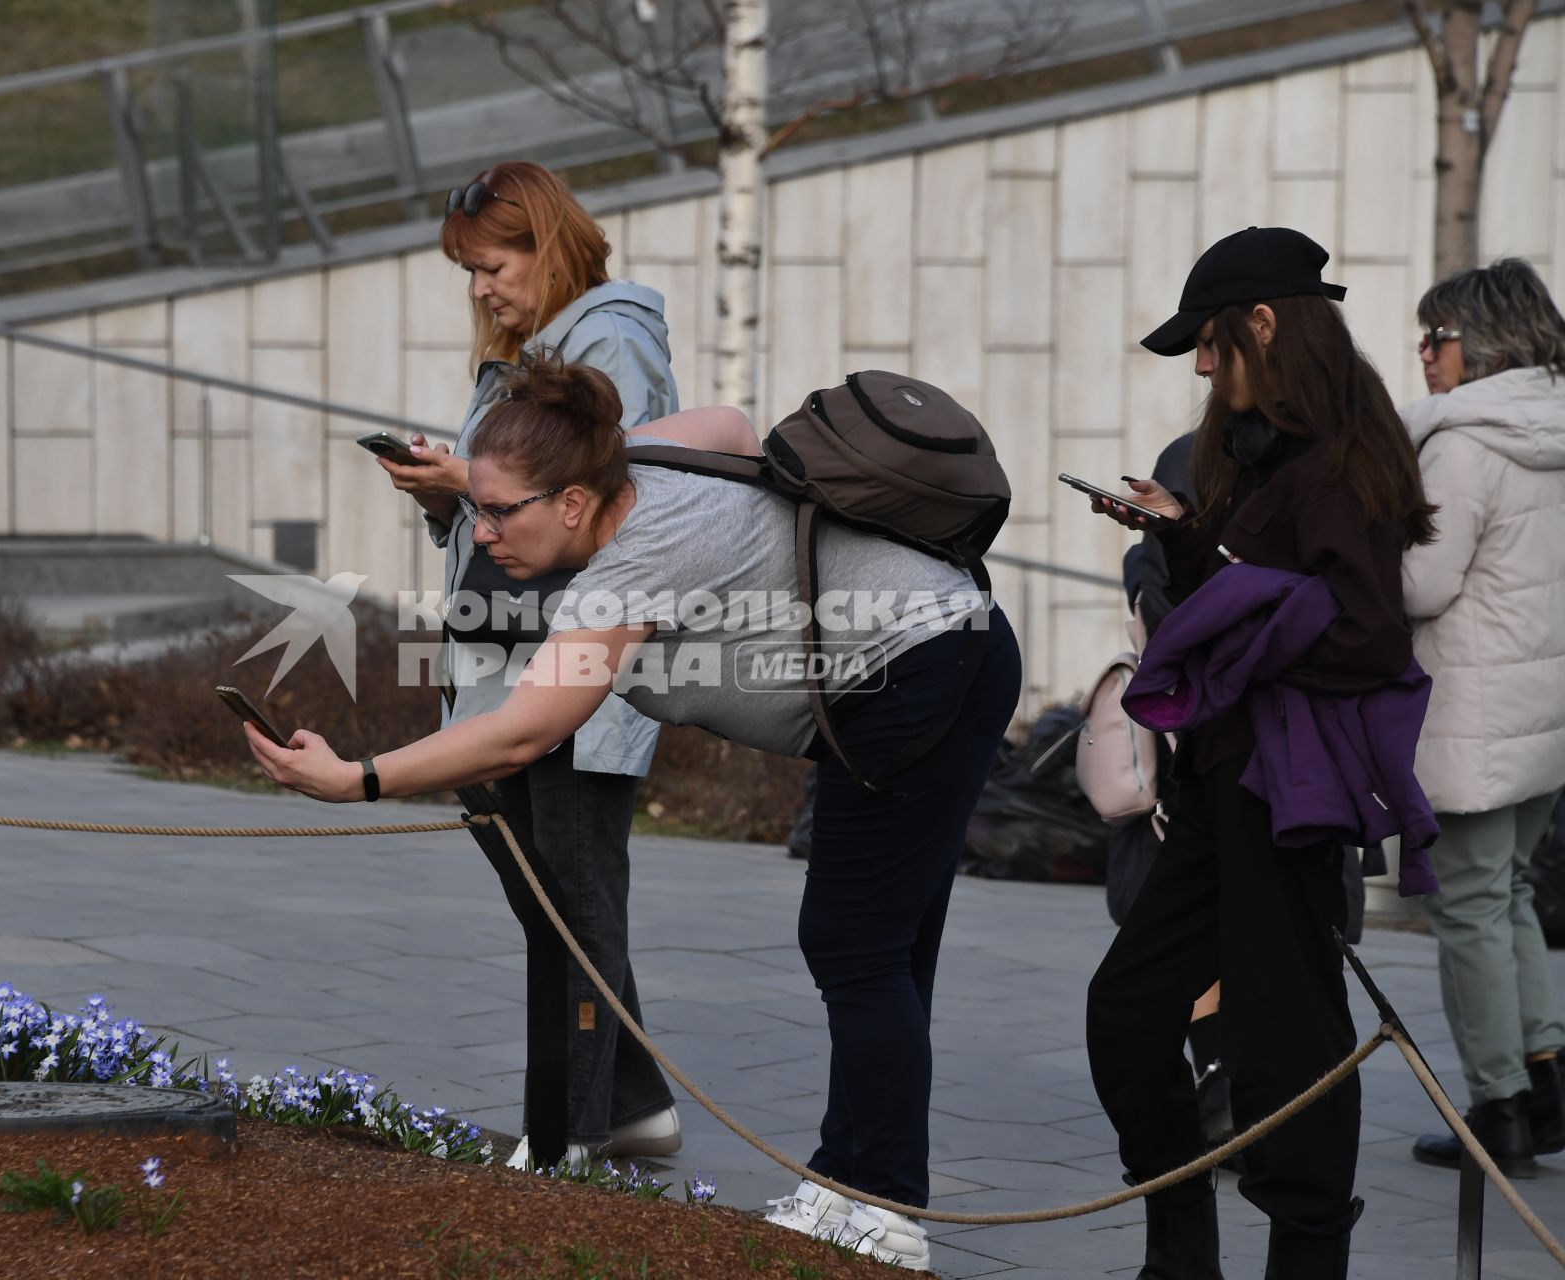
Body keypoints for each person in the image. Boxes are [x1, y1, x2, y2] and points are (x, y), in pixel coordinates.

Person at [247, 359, 1022, 1271]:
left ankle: (885, 1207)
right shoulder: (635, 459)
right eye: (476, 506)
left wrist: (357, 779)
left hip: (918, 670)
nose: (482, 530)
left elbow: (520, 733)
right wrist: (476, 477)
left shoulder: (630, 569)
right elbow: (730, 425)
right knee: (882, 949)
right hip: (947, 648)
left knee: (855, 945)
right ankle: (845, 1182)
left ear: (573, 502)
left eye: (500, 512)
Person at [1082, 226, 1438, 1280]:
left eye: (1209, 341)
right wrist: (1188, 541)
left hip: (1286, 795)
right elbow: (1253, 582)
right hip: (1223, 782)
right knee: (1129, 1013)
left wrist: (1242, 618)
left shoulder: (1339, 461)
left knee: (1290, 1051)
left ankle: (1303, 1263)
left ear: (1266, 324)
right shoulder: (1265, 451)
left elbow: (1368, 632)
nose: (1199, 363)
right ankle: (1179, 1252)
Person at [373, 161, 680, 1166]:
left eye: (491, 264)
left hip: (576, 674)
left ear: (546, 247)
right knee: (551, 897)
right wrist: (445, 499)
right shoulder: (531, 355)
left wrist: (472, 479)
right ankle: (628, 1106)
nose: (479, 288)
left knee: (572, 909)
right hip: (511, 669)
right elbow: (515, 521)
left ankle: (568, 1135)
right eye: (467, 270)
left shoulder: (610, 339)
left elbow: (614, 498)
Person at [1401, 258, 1565, 1177]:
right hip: (1545, 711)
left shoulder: (1463, 443)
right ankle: (1545, 1084)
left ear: (1482, 344)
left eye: (1437, 339)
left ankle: (1495, 1109)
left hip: (1471, 712)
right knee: (1508, 894)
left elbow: (1421, 584)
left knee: (1467, 904)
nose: (1424, 357)